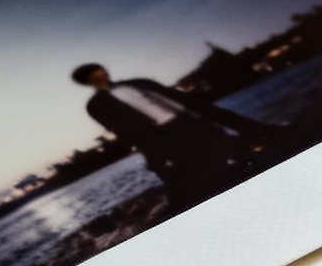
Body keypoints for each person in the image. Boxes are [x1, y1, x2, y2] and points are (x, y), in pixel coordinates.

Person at [71, 63, 275, 212]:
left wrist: (195, 111)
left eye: (99, 69)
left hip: (183, 118)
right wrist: (146, 144)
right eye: (92, 73)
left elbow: (170, 95)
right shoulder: (96, 105)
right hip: (160, 133)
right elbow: (119, 128)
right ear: (87, 81)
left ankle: (255, 162)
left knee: (219, 142)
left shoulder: (136, 83)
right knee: (192, 162)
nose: (99, 73)